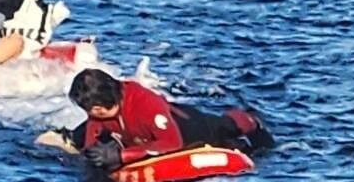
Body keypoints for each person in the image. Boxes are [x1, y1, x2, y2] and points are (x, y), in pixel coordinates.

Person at [65, 68, 271, 173]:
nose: (89, 113)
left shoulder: (145, 103)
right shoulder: (97, 116)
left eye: (91, 108)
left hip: (188, 128)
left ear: (100, 105)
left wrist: (123, 156)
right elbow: (91, 145)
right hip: (140, 138)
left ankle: (253, 121)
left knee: (225, 128)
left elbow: (172, 143)